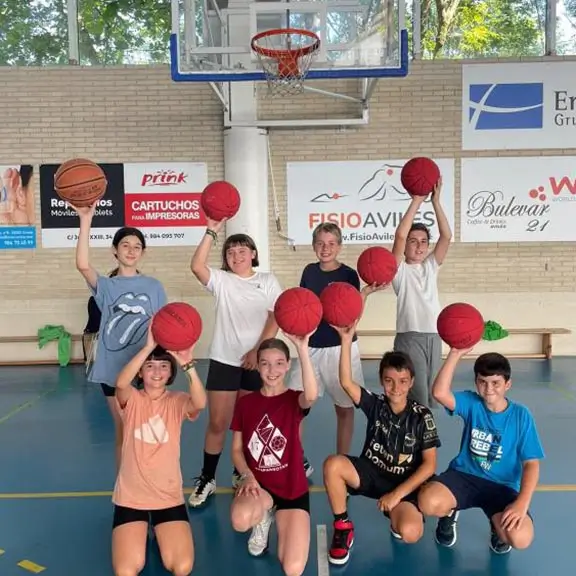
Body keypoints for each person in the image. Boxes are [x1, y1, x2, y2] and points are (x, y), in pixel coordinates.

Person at [323, 321, 441, 565]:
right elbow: (346, 382)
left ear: (411, 382)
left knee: (410, 533)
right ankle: (343, 526)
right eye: (389, 380)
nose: (395, 387)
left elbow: (429, 466)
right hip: (372, 473)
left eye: (402, 380)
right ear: (381, 380)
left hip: (404, 484)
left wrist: (396, 495)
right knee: (333, 465)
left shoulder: (422, 416)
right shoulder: (375, 404)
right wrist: (346, 340)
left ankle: (402, 515)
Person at [188, 217, 283, 507]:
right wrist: (211, 231)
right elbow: (196, 266)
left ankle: (243, 473)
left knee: (250, 424)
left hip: (258, 362)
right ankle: (207, 477)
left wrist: (257, 351)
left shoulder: (267, 281)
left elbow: (275, 316)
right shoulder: (221, 281)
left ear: (253, 253)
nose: (236, 256)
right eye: (230, 252)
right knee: (218, 422)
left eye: (242, 250)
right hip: (224, 360)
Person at [418, 348, 545, 554]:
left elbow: (531, 463)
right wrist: (455, 353)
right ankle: (449, 514)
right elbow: (439, 393)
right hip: (465, 476)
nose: (488, 389)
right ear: (476, 383)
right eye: (482, 382)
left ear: (507, 384)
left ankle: (497, 526)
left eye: (495, 383)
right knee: (427, 502)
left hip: (501, 487)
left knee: (520, 538)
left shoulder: (521, 415)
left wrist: (522, 503)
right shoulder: (472, 403)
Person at [72, 202, 167, 468]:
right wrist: (86, 219)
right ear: (115, 250)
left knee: (149, 430)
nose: (131, 250)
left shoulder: (154, 286)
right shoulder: (107, 286)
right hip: (113, 369)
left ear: (143, 252)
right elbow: (81, 264)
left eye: (137, 246)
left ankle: (150, 480)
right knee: (124, 429)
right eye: (125, 245)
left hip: (147, 369)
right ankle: (125, 484)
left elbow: (163, 327)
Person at [111, 325, 206, 576]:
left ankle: (155, 528)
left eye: (164, 366)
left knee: (181, 567)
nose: (157, 371)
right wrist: (148, 348)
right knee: (127, 570)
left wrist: (188, 365)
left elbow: (200, 402)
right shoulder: (132, 399)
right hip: (132, 496)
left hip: (167, 496)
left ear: (171, 372)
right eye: (150, 365)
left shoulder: (176, 401)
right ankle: (142, 529)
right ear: (141, 372)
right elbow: (121, 382)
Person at [289, 222, 380, 476]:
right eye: (320, 243)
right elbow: (303, 305)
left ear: (339, 246)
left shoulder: (349, 274)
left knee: (344, 407)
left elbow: (352, 310)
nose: (325, 248)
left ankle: (341, 465)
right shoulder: (309, 271)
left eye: (331, 244)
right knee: (296, 407)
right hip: (311, 348)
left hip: (342, 348)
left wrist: (365, 295)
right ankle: (298, 460)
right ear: (313, 246)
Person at [229, 334, 318, 573]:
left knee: (292, 568)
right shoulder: (246, 404)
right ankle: (263, 517)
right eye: (265, 363)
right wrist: (247, 475)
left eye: (279, 362)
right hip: (259, 488)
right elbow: (237, 450)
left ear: (288, 365)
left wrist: (302, 349)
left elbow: (311, 395)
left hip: (292, 490)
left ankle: (274, 515)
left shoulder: (293, 400)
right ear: (257, 366)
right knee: (240, 520)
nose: (272, 369)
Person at [391, 177, 452, 408]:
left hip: (433, 337)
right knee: (415, 395)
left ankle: (426, 439)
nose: (418, 246)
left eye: (423, 242)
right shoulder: (399, 270)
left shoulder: (430, 266)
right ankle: (412, 440)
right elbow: (399, 236)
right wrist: (416, 201)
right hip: (410, 337)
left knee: (433, 394)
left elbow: (446, 236)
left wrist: (436, 201)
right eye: (413, 241)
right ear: (406, 246)